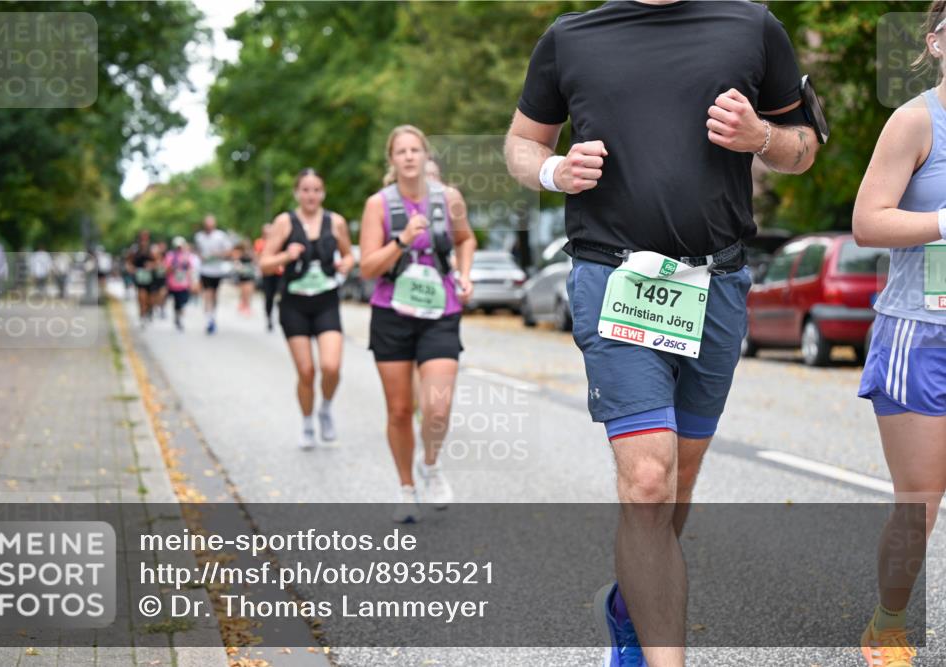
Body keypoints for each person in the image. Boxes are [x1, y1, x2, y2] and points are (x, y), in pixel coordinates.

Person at [504, 2, 820, 664]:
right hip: (614, 276)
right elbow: (521, 143)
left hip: (717, 284)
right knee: (648, 478)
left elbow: (805, 148)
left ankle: (628, 606)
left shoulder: (752, 25)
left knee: (677, 480)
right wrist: (554, 171)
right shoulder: (571, 37)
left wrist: (760, 136)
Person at [853, 4, 946, 666]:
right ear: (938, 42)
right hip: (922, 333)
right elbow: (867, 221)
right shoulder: (916, 121)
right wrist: (943, 220)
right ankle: (888, 624)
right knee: (920, 504)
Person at [359, 126, 476, 523]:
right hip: (392, 313)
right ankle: (406, 487)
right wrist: (403, 239)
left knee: (436, 408)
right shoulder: (379, 205)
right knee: (398, 410)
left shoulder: (449, 198)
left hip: (440, 314)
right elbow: (368, 267)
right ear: (392, 160)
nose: (409, 157)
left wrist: (465, 274)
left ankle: (431, 464)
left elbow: (465, 239)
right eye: (401, 151)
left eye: (415, 150)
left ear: (426, 156)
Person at [260, 169, 355, 449]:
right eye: (305, 190)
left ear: (323, 193)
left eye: (316, 190)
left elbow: (349, 255)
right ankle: (306, 423)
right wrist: (285, 255)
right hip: (294, 304)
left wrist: (346, 265)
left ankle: (325, 407)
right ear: (296, 193)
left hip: (326, 301)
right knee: (306, 372)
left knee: (331, 366)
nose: (310, 195)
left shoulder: (335, 222)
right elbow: (264, 263)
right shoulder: (284, 222)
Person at [194, 214, 233, 334]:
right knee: (207, 293)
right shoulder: (199, 236)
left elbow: (228, 251)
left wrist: (218, 254)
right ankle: (209, 319)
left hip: (217, 270)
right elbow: (197, 251)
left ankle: (213, 315)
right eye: (207, 225)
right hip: (205, 270)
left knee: (214, 295)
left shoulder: (220, 236)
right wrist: (201, 257)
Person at [165, 236, 197, 331]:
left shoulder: (187, 256)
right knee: (177, 302)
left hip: (184, 283)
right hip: (173, 283)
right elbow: (166, 269)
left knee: (184, 301)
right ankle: (177, 318)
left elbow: (191, 269)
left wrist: (192, 281)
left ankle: (180, 317)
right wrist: (174, 268)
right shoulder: (170, 255)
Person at [255, 223, 283, 331]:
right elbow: (259, 258)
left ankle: (281, 316)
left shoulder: (279, 242)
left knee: (282, 294)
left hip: (279, 273)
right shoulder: (260, 243)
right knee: (269, 296)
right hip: (267, 274)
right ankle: (269, 317)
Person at [126, 230, 156, 325]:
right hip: (139, 276)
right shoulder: (134, 249)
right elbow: (128, 262)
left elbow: (158, 262)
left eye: (145, 237)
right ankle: (142, 313)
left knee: (150, 298)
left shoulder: (152, 249)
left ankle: (149, 310)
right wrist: (131, 268)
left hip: (151, 277)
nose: (143, 239)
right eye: (142, 237)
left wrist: (151, 265)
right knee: (141, 296)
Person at [233, 241, 257, 316]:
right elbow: (236, 262)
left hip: (250, 274)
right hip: (243, 274)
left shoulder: (251, 253)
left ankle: (247, 306)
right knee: (244, 291)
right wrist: (239, 267)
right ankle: (244, 304)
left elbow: (255, 261)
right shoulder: (239, 253)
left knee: (249, 290)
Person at [150, 241, 168, 319]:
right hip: (154, 279)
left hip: (163, 279)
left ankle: (162, 308)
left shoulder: (166, 258)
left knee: (163, 294)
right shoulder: (152, 258)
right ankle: (155, 307)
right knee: (154, 295)